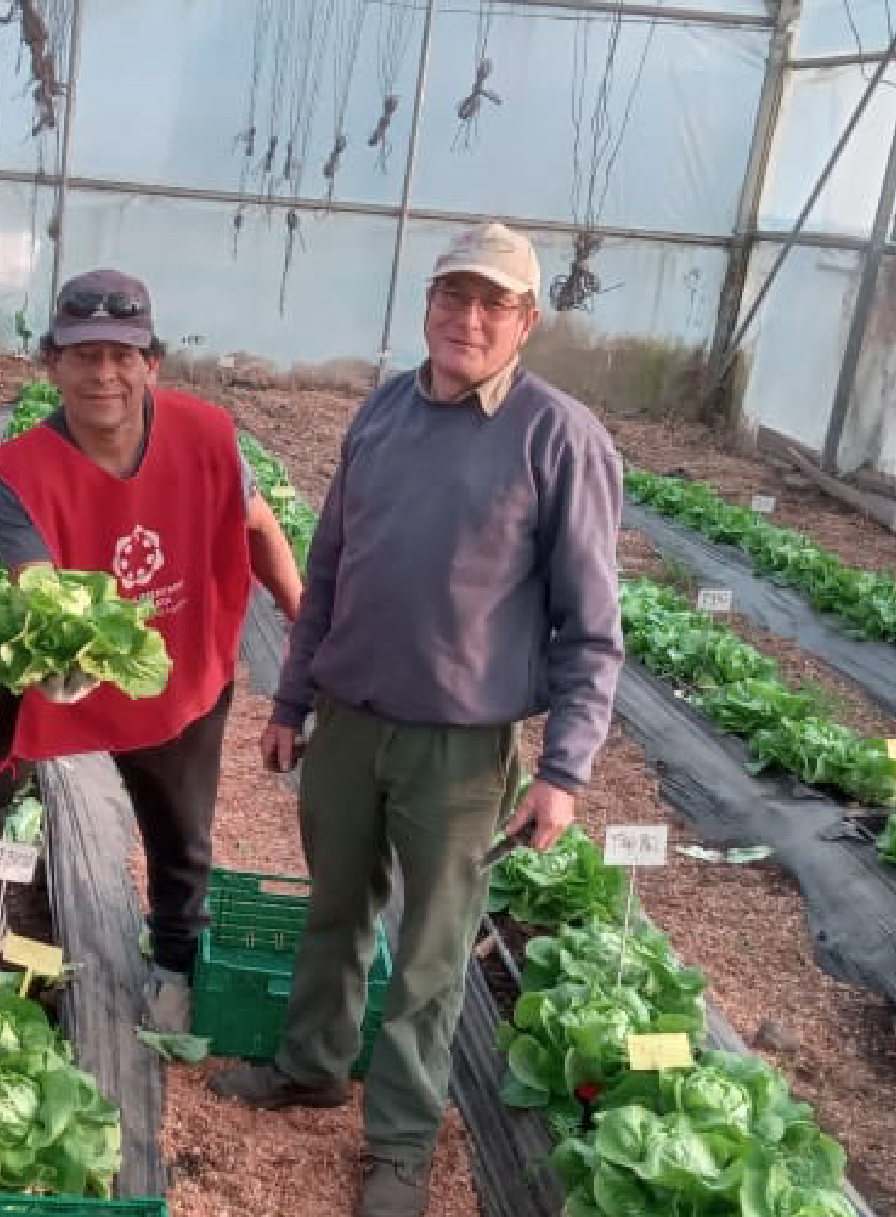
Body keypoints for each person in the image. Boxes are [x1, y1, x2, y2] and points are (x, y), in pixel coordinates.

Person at [206, 222, 626, 1217]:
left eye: (493, 303)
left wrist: (564, 770)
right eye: (453, 295)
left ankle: (397, 1140)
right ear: (427, 302)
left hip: (461, 747)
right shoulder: (382, 412)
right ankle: (311, 1063)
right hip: (350, 720)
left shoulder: (557, 435)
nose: (467, 318)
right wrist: (293, 696)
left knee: (434, 951)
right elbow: (333, 566)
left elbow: (591, 626)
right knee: (334, 908)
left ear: (526, 319)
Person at [0, 269, 305, 1033]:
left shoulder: (207, 436)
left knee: (178, 828)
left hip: (177, 661)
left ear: (151, 363)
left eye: (122, 355)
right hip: (68, 665)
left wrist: (306, 628)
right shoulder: (24, 468)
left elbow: (260, 528)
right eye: (83, 354)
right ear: (51, 363)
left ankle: (172, 962)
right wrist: (64, 661)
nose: (104, 374)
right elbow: (36, 582)